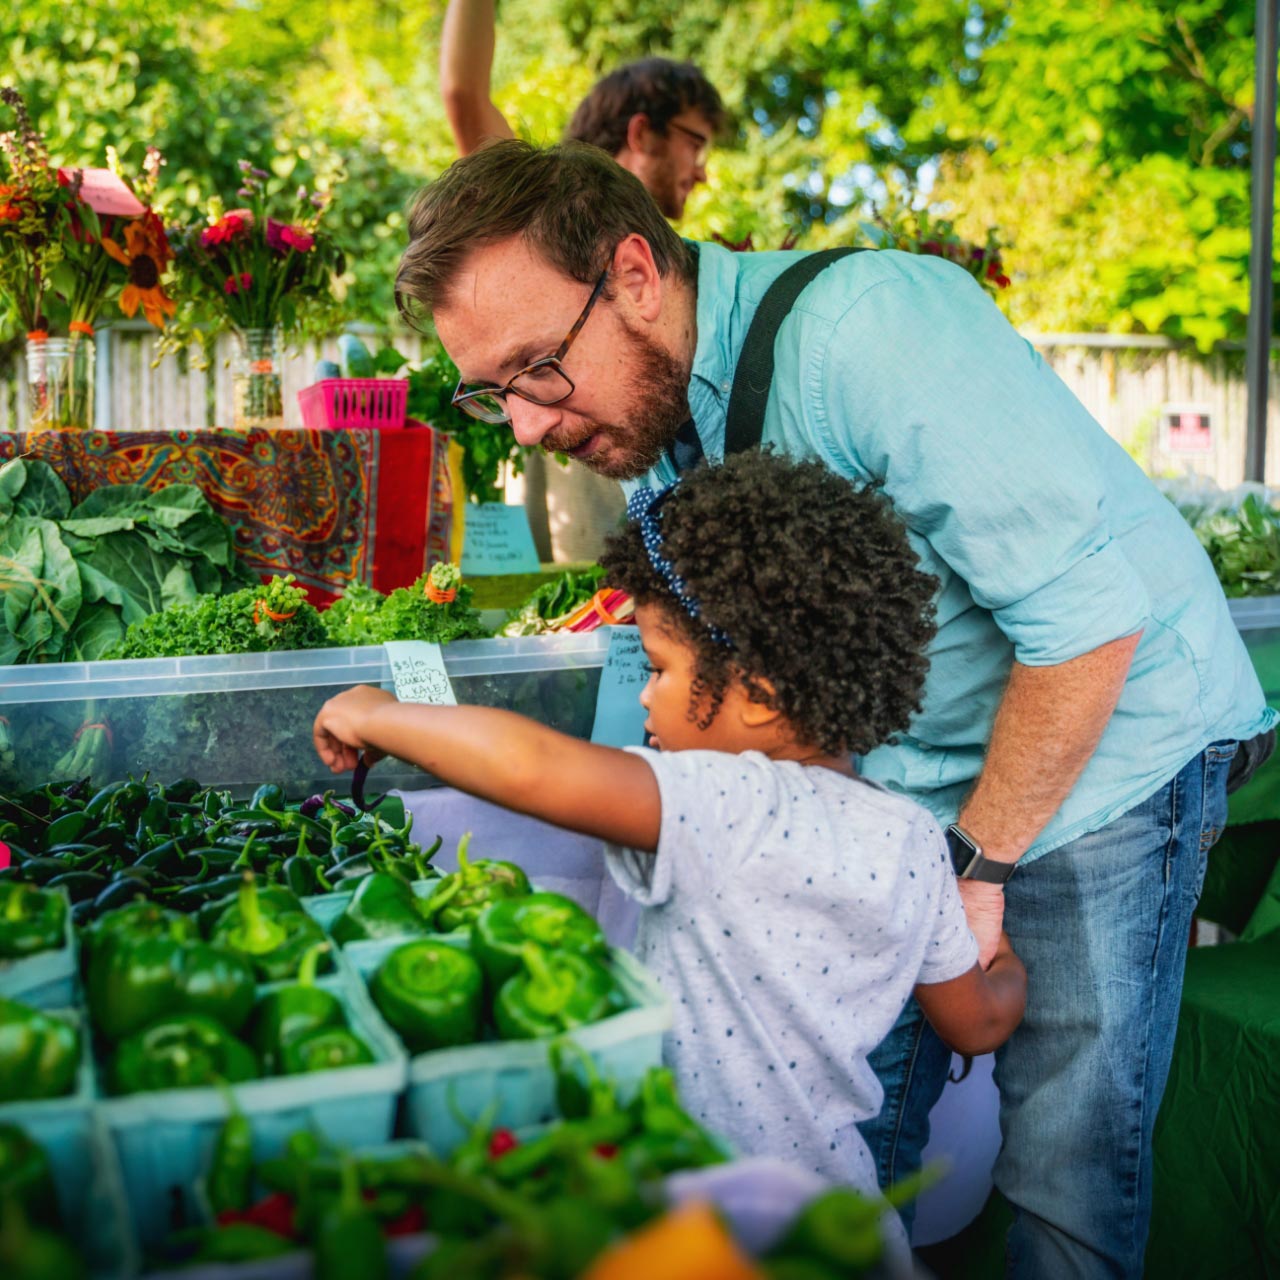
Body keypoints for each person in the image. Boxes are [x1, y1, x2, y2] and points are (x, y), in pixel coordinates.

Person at [391, 139, 1279, 1278]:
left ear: (633, 276)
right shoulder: (641, 411)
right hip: (915, 774)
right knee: (847, 1133)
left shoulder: (868, 336)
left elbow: (1086, 627)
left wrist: (976, 869)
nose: (522, 424)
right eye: (490, 390)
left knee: (1066, 1153)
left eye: (534, 369)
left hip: (1106, 738)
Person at [314, 449, 1028, 1249]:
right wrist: (1009, 968)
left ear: (756, 697)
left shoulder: (730, 803)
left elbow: (529, 766)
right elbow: (976, 1022)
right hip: (829, 1230)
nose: (644, 693)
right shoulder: (910, 840)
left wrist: (377, 712)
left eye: (656, 666)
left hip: (697, 1221)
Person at [439, 0, 723, 219]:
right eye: (694, 146)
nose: (702, 175)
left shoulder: (666, 264)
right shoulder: (537, 205)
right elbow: (464, 93)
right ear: (642, 133)